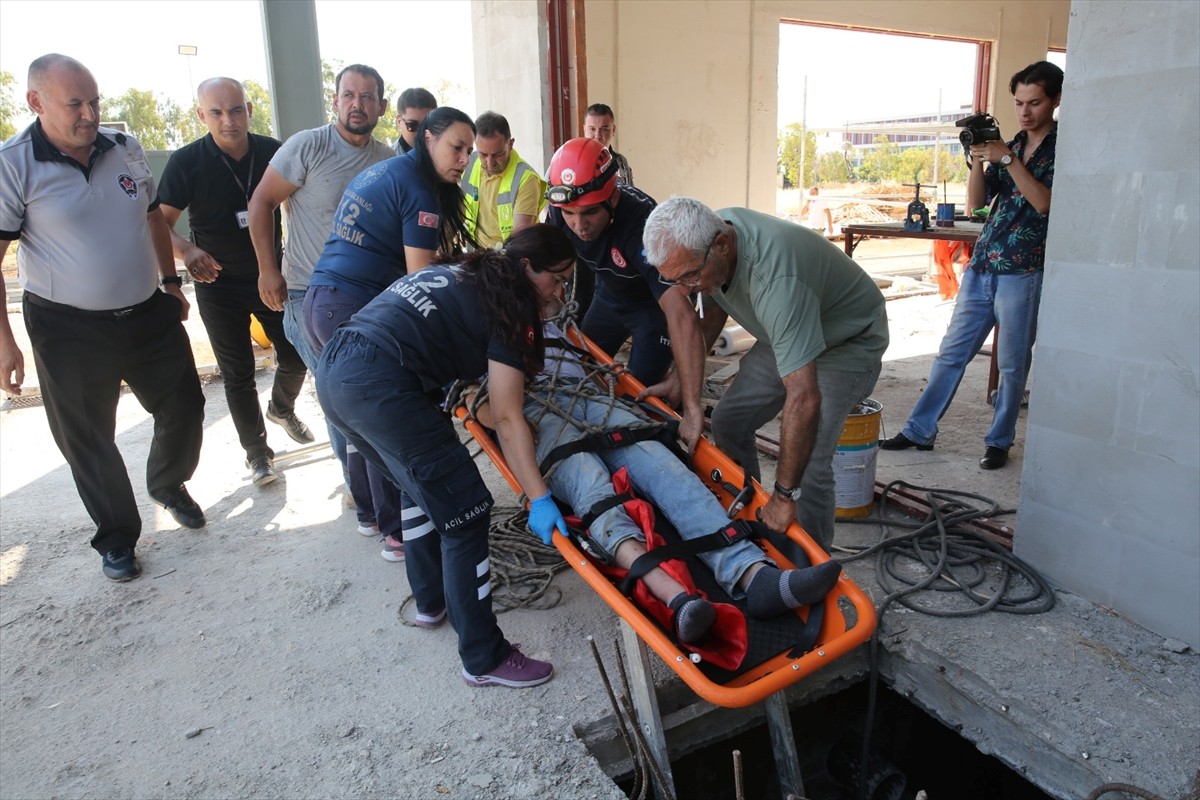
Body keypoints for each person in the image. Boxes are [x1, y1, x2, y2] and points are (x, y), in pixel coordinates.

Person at [470, 320, 843, 645]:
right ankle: (677, 600)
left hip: (589, 397)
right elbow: (476, 403)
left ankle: (754, 576)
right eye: (555, 279)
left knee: (667, 470)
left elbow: (589, 363)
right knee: (593, 488)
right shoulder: (467, 333)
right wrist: (511, 420)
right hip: (531, 416)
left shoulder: (548, 320)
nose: (558, 291)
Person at [315, 224, 576, 688]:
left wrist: (504, 417)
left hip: (339, 369)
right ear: (525, 268)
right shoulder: (514, 309)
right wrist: (539, 497)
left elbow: (491, 399)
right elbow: (510, 417)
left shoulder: (469, 271)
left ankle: (429, 601)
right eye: (555, 278)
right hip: (382, 383)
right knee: (468, 514)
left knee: (419, 487)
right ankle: (484, 656)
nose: (559, 290)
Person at [0, 54, 206, 582]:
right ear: (36, 102)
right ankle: (117, 538)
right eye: (76, 104)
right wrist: (6, 342)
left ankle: (167, 481)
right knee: (89, 439)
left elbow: (154, 219)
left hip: (145, 310)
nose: (90, 114)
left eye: (94, 101)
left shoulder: (125, 149)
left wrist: (170, 283)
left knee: (184, 404)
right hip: (67, 327)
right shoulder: (13, 163)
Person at [643, 197, 888, 553]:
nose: (684, 290)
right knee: (729, 421)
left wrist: (785, 495)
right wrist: (683, 380)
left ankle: (812, 566)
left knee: (811, 466)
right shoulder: (707, 237)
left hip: (848, 342)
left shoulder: (776, 280)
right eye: (674, 280)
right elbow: (710, 314)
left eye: (690, 277)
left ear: (722, 246)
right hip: (791, 328)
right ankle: (749, 522)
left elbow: (803, 397)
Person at [303, 106, 476, 562]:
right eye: (457, 147)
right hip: (351, 305)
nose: (464, 159)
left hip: (322, 301)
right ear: (429, 138)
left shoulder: (389, 170)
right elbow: (418, 280)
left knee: (362, 419)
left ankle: (374, 517)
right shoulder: (419, 189)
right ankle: (399, 529)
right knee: (388, 420)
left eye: (469, 151)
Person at [880, 61, 1062, 470]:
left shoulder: (1061, 148)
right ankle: (918, 430)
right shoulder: (1010, 144)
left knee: (1012, 363)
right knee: (951, 353)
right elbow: (975, 204)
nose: (1025, 112)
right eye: (1018, 103)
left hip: (1023, 268)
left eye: (1034, 102)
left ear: (1055, 101)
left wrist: (1009, 159)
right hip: (984, 263)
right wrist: (978, 158)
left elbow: (1044, 203)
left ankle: (999, 441)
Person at [247, 63, 395, 535]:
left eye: (367, 96)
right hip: (307, 295)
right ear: (335, 101)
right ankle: (361, 488)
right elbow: (261, 202)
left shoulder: (387, 159)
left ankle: (370, 486)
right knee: (340, 391)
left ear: (381, 107)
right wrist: (269, 270)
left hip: (368, 297)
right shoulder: (307, 146)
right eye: (349, 94)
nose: (357, 104)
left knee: (363, 390)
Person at [158, 77, 311, 488]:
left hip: (272, 275)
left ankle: (282, 408)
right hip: (217, 283)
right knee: (238, 372)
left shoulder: (273, 151)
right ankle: (257, 454)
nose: (228, 121)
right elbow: (158, 225)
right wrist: (187, 252)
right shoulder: (186, 162)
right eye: (217, 112)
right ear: (201, 115)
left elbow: (302, 208)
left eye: (236, 109)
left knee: (298, 355)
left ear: (249, 109)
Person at [545, 138, 706, 399]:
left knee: (641, 395)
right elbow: (539, 265)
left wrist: (691, 397)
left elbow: (681, 314)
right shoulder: (557, 210)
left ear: (614, 197)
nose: (578, 225)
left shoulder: (643, 224)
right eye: (569, 213)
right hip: (608, 296)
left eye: (590, 212)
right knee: (581, 371)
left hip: (652, 309)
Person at [460, 111, 546, 248]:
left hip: (509, 258)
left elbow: (520, 237)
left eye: (497, 154)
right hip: (474, 255)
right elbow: (456, 211)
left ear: (510, 144)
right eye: (483, 154)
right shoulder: (468, 163)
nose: (490, 163)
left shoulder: (526, 179)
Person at [583, 103, 634, 187]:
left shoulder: (620, 162)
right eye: (592, 129)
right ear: (584, 129)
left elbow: (631, 196)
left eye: (604, 129)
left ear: (613, 130)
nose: (597, 135)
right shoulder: (573, 162)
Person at [393, 87, 437, 156]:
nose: (421, 132)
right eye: (413, 125)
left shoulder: (445, 156)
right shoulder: (387, 160)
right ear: (399, 122)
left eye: (427, 125)